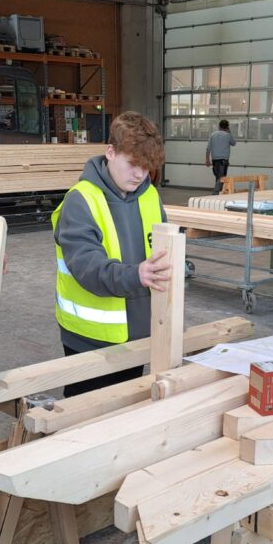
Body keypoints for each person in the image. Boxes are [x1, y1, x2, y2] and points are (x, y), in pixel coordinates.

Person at [52, 110, 170, 397]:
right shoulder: (81, 200)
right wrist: (136, 274)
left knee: (127, 406)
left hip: (139, 334)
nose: (140, 174)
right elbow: (87, 267)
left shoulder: (150, 195)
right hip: (90, 338)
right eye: (133, 164)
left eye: (146, 167)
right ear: (110, 152)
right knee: (85, 411)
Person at [206, 119, 236, 194]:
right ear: (227, 127)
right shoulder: (228, 135)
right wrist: (230, 132)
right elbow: (233, 143)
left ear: (219, 126)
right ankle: (215, 193)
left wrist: (207, 159)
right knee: (221, 178)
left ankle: (219, 193)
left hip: (214, 160)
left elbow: (208, 148)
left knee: (218, 177)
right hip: (223, 161)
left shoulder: (213, 135)